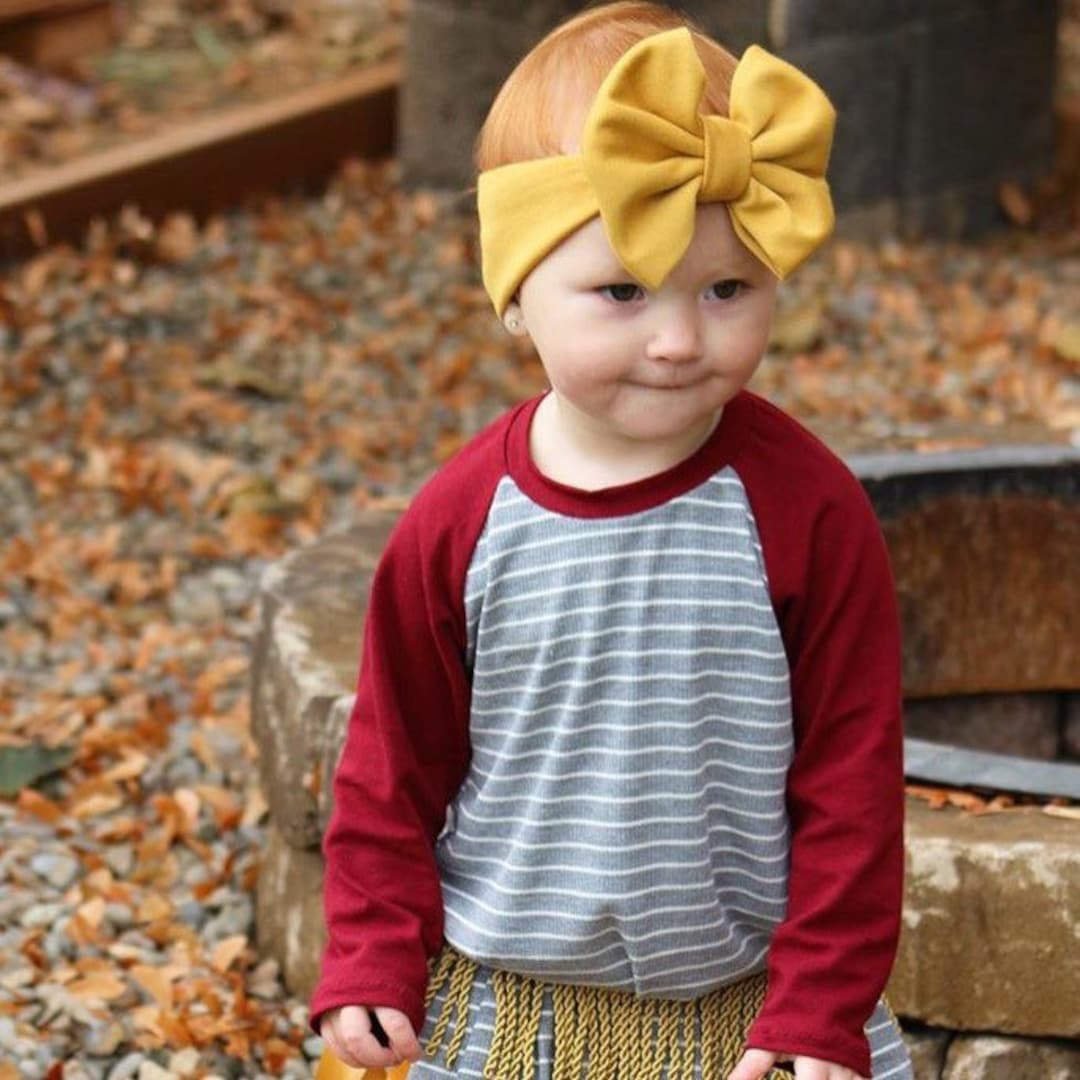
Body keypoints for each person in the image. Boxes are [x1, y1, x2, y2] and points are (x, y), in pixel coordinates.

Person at [310, 3, 913, 1078]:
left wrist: (821, 1004)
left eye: (727, 288)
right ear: (517, 298)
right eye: (621, 292)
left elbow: (851, 782)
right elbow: (392, 768)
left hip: (750, 1024)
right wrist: (371, 954)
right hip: (508, 1017)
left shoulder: (808, 514)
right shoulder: (460, 525)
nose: (679, 340)